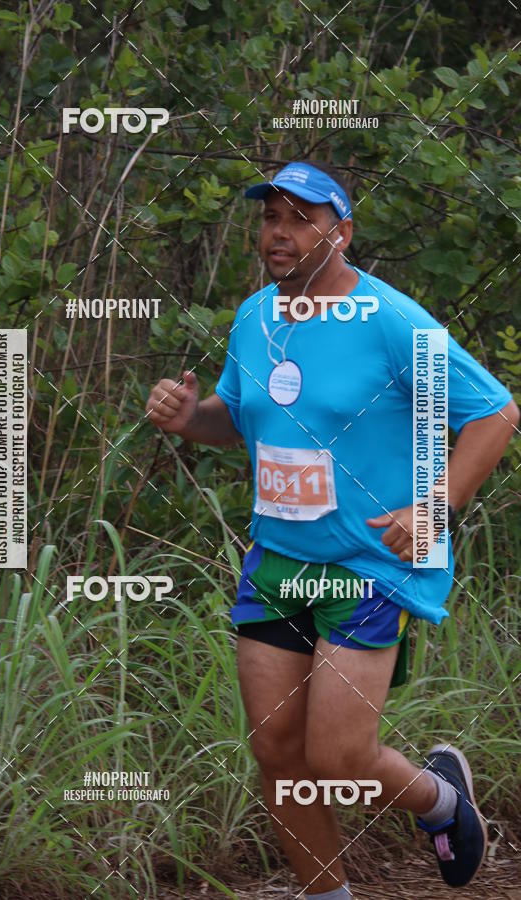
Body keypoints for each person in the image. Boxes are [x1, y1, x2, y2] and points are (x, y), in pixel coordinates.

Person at [145, 160, 519, 898]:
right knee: (278, 754)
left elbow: (494, 413)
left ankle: (442, 802)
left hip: (370, 561)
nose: (278, 234)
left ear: (340, 234)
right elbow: (238, 416)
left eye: (300, 219)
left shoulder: (390, 322)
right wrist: (192, 420)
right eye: (270, 218)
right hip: (279, 560)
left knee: (340, 756)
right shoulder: (255, 317)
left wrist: (435, 504)